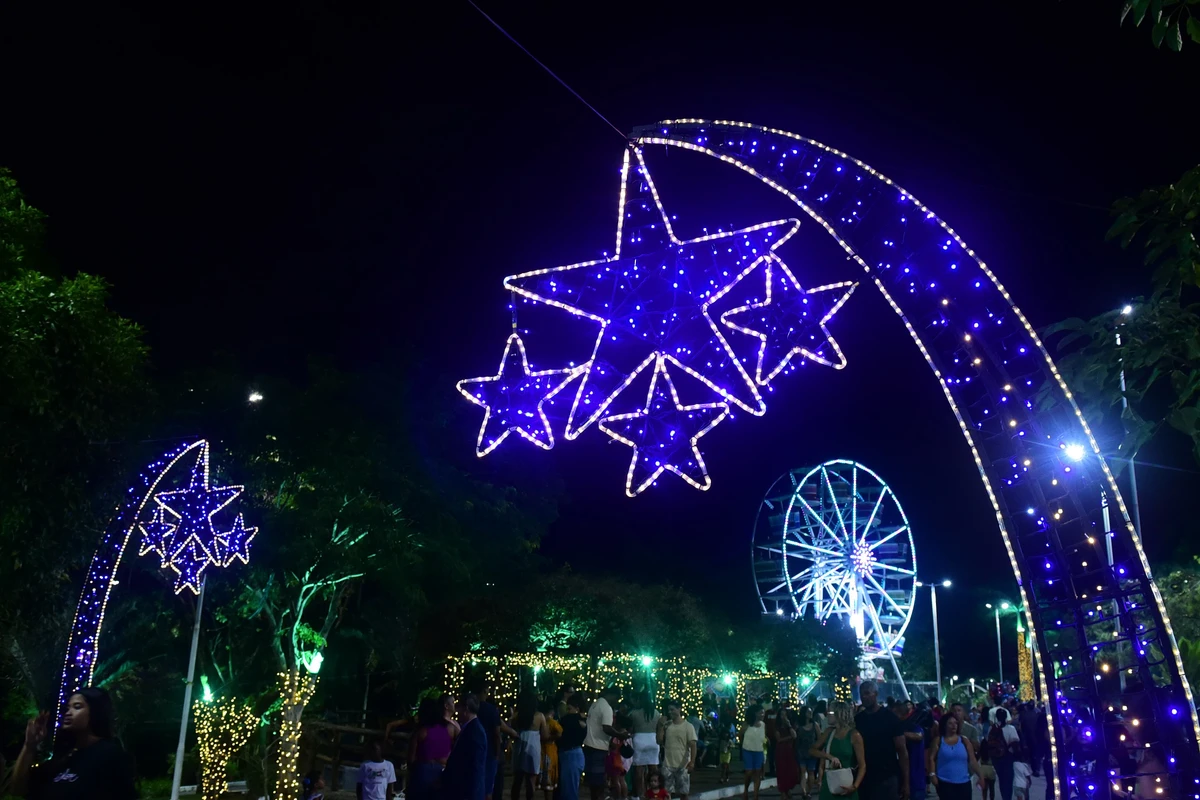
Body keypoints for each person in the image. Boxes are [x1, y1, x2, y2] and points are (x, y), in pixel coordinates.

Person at [10, 687, 137, 800]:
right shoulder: (62, 758)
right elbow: (18, 789)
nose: (68, 713)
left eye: (77, 707)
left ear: (95, 712)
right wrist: (29, 745)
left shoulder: (110, 755)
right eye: (68, 708)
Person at [854, 682, 908, 800]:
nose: (864, 696)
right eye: (862, 694)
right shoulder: (857, 720)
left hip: (887, 778)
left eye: (867, 693)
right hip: (864, 778)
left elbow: (902, 751)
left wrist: (906, 782)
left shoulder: (890, 718)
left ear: (876, 694)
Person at [469, 678, 520, 800]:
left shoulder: (469, 708)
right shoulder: (491, 710)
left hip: (473, 750)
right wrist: (498, 753)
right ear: (485, 691)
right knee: (490, 786)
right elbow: (497, 733)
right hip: (490, 751)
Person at [810, 701, 864, 800]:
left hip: (847, 785)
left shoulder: (854, 735)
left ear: (839, 714)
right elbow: (812, 750)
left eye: (830, 713)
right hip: (830, 783)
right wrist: (828, 756)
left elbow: (862, 765)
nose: (827, 715)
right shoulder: (829, 732)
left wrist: (855, 786)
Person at [408, 698, 456, 800]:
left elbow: (411, 759)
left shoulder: (421, 732)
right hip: (442, 772)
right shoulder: (451, 729)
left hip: (422, 771)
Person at [444, 693, 488, 800]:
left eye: (459, 707)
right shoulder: (470, 728)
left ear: (466, 708)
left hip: (468, 791)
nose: (456, 711)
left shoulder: (475, 732)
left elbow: (475, 765)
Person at [585, 687, 626, 800]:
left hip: (589, 745)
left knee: (593, 782)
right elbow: (607, 728)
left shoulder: (595, 704)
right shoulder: (606, 707)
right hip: (598, 746)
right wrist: (619, 735)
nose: (617, 701)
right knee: (599, 782)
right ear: (613, 695)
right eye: (617, 698)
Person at [928, 713, 979, 800]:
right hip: (945, 783)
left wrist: (980, 776)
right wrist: (932, 774)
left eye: (955, 723)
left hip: (964, 782)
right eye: (950, 723)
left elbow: (972, 760)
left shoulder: (964, 740)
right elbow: (931, 758)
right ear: (944, 725)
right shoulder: (938, 740)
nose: (953, 726)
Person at [511, 692, 548, 800]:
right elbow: (545, 735)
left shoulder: (517, 716)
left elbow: (512, 729)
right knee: (531, 781)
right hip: (533, 748)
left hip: (519, 747)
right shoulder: (539, 716)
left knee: (517, 780)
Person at [659, 700, 698, 800]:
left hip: (683, 765)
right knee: (666, 793)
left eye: (672, 709)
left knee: (684, 793)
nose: (670, 712)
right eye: (669, 710)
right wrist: (660, 726)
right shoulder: (667, 725)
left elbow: (693, 745)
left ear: (679, 709)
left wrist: (692, 762)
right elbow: (659, 741)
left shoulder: (688, 726)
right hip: (667, 764)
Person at [628, 692, 661, 799]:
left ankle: (640, 794)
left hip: (639, 740)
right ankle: (654, 793)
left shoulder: (634, 713)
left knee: (639, 771)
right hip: (653, 740)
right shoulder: (656, 713)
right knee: (653, 769)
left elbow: (630, 727)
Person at [986, 708, 1020, 800]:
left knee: (1001, 779)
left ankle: (1004, 796)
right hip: (1007, 757)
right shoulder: (1011, 729)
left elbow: (987, 741)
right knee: (1008, 780)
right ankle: (1007, 797)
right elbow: (1015, 744)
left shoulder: (992, 728)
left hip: (996, 757)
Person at [558, 694, 588, 800]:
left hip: (571, 754)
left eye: (569, 708)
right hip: (573, 754)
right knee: (569, 788)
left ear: (577, 708)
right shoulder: (582, 720)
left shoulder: (569, 720)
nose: (567, 711)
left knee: (569, 790)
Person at [893, 701, 924, 800]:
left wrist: (898, 734)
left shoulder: (913, 727)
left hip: (915, 779)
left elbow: (918, 736)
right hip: (899, 779)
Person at [741, 706, 767, 800]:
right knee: (749, 772)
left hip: (759, 751)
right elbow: (740, 735)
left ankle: (756, 795)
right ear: (755, 713)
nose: (762, 715)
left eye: (763, 713)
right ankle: (746, 790)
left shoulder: (763, 725)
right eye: (761, 713)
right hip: (747, 750)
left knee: (757, 773)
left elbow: (764, 737)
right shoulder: (747, 724)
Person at [775, 708, 800, 800]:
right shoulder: (777, 726)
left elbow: (795, 735)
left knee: (791, 771)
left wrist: (789, 725)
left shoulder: (791, 726)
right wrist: (790, 737)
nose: (783, 717)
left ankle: (788, 788)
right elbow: (779, 739)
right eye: (782, 715)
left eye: (785, 715)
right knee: (782, 771)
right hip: (781, 750)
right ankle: (783, 791)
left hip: (790, 750)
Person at [794, 707, 819, 797]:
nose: (810, 713)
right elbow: (796, 739)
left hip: (812, 752)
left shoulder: (814, 725)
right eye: (808, 712)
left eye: (811, 711)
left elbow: (819, 738)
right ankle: (804, 791)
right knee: (803, 771)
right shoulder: (799, 726)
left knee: (811, 772)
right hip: (801, 752)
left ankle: (809, 791)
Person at [541, 701, 562, 800]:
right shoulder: (552, 722)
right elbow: (559, 733)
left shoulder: (540, 720)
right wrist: (550, 738)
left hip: (543, 750)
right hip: (550, 750)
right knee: (549, 778)